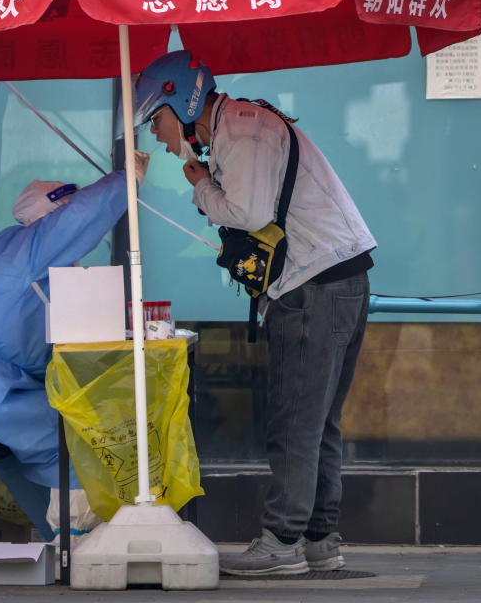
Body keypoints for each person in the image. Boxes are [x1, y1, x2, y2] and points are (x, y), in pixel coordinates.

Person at [134, 50, 376, 576]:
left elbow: (248, 213)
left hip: (314, 288)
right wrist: (205, 178)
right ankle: (319, 540)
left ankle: (283, 540)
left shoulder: (240, 133)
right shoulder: (240, 126)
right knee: (317, 423)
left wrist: (200, 187)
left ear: (182, 101)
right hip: (338, 280)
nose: (153, 133)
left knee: (294, 420)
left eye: (155, 118)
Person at [0, 156, 147, 540]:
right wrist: (128, 178)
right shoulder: (35, 246)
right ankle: (79, 541)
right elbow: (82, 217)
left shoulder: (4, 248)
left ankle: (54, 536)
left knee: (24, 451)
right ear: (53, 217)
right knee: (75, 434)